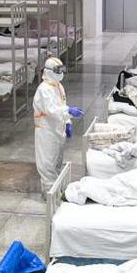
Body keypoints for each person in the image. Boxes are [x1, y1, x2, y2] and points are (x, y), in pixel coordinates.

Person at [34, 57, 83, 194]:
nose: (60, 72)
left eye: (62, 69)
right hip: (46, 131)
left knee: (56, 162)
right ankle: (49, 195)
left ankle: (57, 191)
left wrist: (67, 122)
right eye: (57, 70)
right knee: (47, 164)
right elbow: (51, 110)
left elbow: (62, 104)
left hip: (57, 129)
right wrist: (69, 112)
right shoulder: (44, 89)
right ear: (49, 71)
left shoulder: (58, 86)